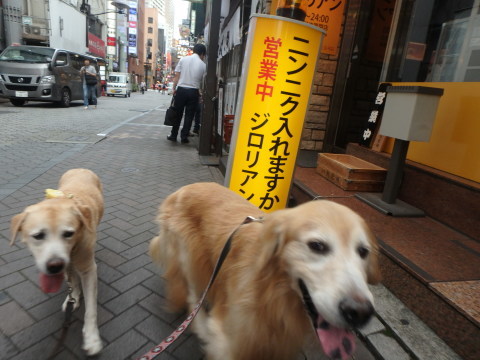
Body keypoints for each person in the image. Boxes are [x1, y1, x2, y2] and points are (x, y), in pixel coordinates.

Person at [167, 43, 207, 144]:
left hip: (181, 90)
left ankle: (173, 135)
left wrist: (174, 88)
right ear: (202, 54)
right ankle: (184, 137)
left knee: (178, 114)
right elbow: (202, 81)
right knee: (189, 115)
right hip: (193, 91)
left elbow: (177, 75)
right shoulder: (203, 65)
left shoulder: (183, 59)